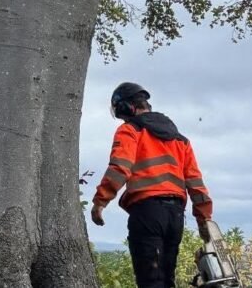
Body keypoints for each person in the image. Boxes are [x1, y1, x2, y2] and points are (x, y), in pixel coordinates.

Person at [90, 82, 213, 288]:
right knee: (166, 281)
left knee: (151, 282)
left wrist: (100, 202)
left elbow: (120, 168)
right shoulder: (180, 140)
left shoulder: (130, 130)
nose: (123, 119)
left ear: (128, 107)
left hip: (147, 212)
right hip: (175, 217)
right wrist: (204, 220)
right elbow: (196, 185)